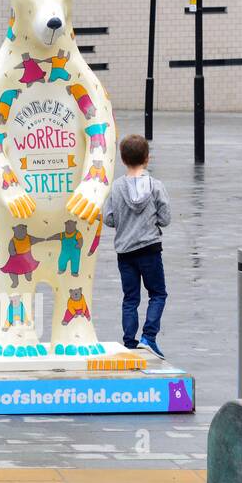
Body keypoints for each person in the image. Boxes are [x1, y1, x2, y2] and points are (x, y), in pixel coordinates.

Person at [104, 134, 172, 358]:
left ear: (123, 160)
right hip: (150, 250)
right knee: (158, 294)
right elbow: (165, 218)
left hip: (125, 252)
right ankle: (149, 337)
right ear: (147, 158)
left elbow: (109, 218)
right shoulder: (156, 186)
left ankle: (129, 343)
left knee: (130, 298)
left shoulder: (115, 188)